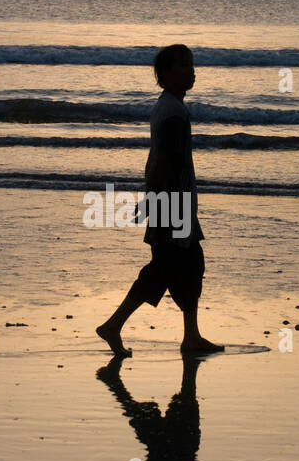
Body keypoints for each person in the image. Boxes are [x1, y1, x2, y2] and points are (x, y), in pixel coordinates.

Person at [96, 43, 224, 356]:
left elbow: (156, 160)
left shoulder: (167, 106)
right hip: (173, 204)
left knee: (189, 265)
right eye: (184, 65)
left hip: (172, 201)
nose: (192, 71)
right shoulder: (173, 114)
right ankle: (114, 325)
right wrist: (157, 200)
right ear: (165, 75)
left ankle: (191, 336)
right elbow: (167, 161)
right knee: (165, 269)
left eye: (192, 64)